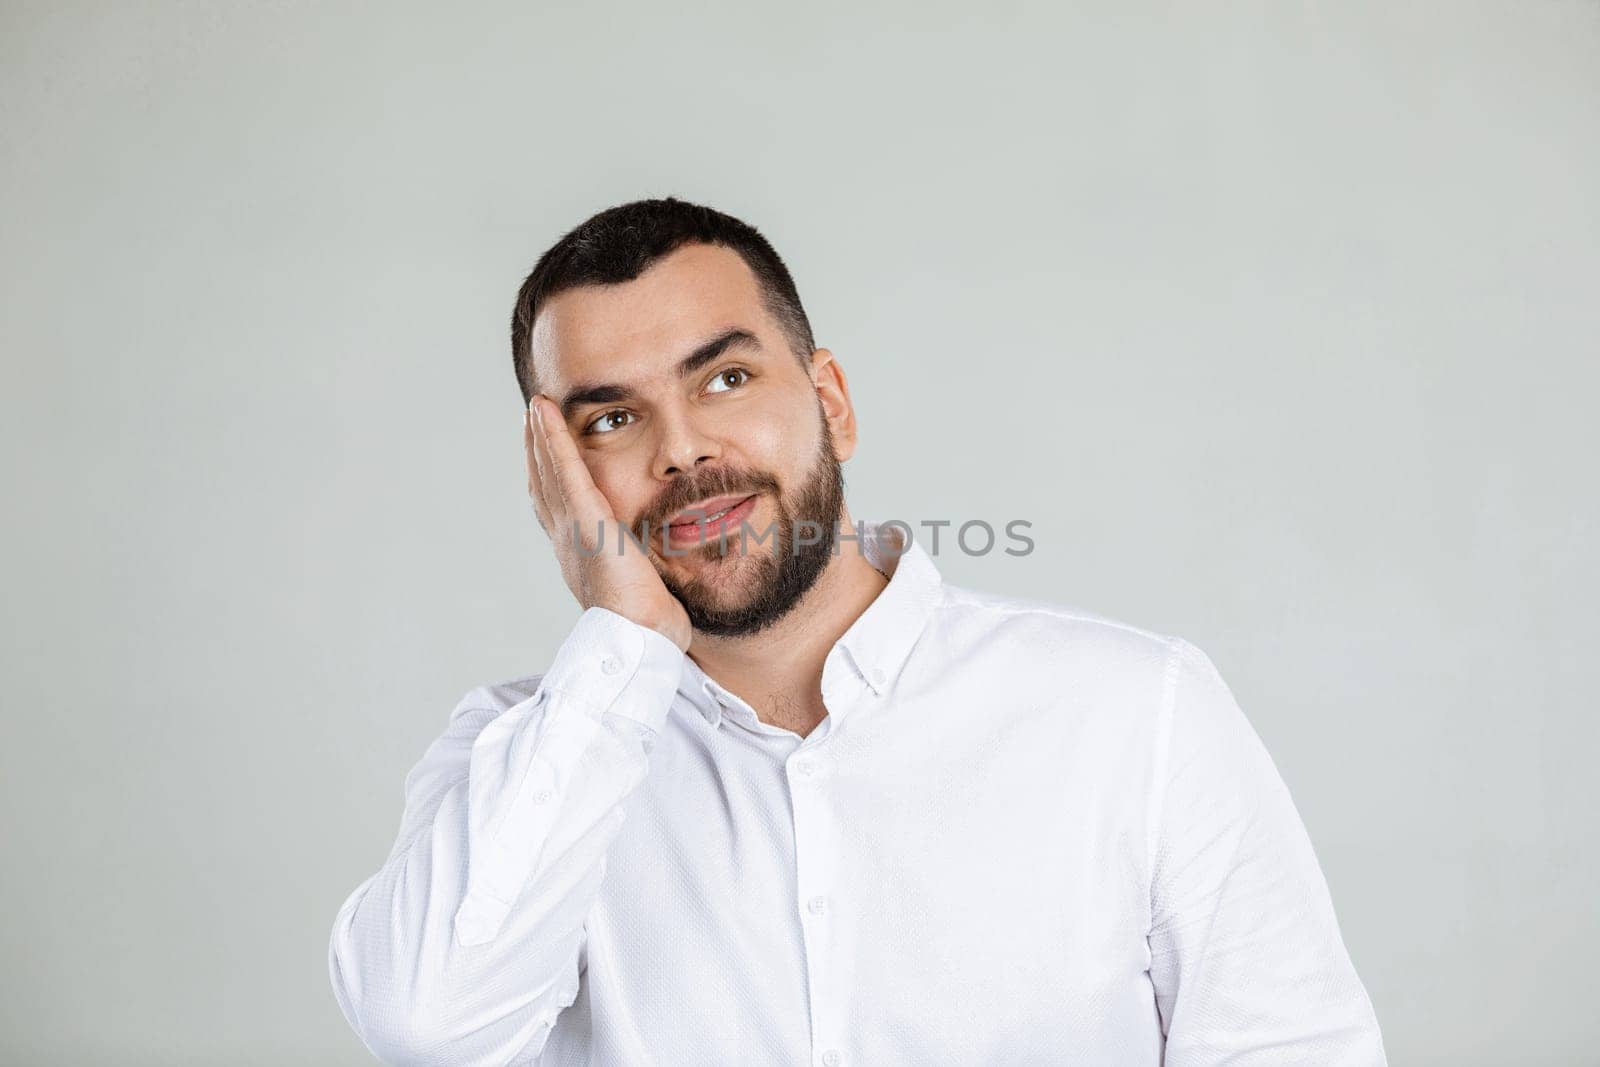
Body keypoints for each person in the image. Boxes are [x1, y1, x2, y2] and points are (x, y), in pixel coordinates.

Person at [327, 197, 1387, 1065]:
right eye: (611, 419)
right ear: (553, 478)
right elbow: (427, 1025)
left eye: (726, 379)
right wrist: (619, 644)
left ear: (830, 400)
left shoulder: (1135, 712)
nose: (684, 451)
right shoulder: (514, 760)